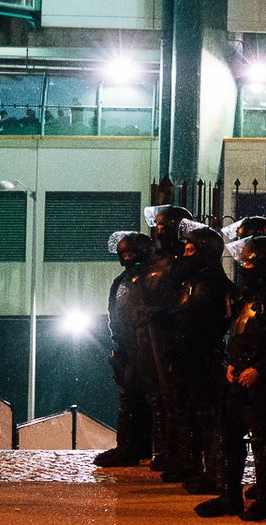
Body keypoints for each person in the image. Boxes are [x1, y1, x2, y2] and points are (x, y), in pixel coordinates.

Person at [195, 235, 266, 522]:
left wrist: (260, 370)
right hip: (239, 374)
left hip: (265, 379)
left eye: (248, 261)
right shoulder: (249, 293)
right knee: (229, 437)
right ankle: (230, 496)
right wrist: (232, 363)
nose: (243, 265)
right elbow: (240, 332)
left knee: (263, 441)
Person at [168, 224, 232, 496]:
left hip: (204, 355)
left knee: (208, 416)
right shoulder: (190, 280)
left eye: (191, 249)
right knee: (187, 413)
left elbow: (204, 319)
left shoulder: (214, 284)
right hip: (187, 354)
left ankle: (214, 473)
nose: (185, 254)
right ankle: (190, 465)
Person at [139, 204, 194, 482]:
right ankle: (162, 448)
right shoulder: (155, 258)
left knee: (177, 397)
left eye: (164, 226)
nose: (159, 231)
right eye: (157, 226)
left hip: (174, 333)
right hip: (150, 332)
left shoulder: (183, 261)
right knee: (158, 394)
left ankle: (180, 454)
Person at [94, 232, 155, 467]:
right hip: (127, 348)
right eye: (123, 253)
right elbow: (114, 315)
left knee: (144, 400)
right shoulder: (120, 282)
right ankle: (129, 446)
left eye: (130, 252)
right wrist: (118, 346)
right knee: (129, 398)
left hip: (146, 347)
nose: (126, 257)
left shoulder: (150, 278)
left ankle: (137, 447)